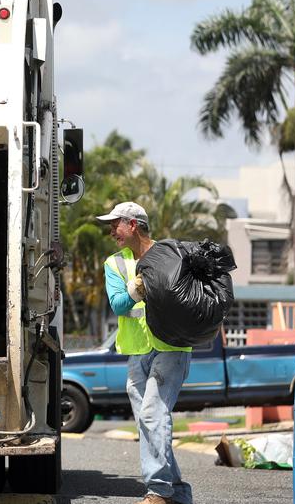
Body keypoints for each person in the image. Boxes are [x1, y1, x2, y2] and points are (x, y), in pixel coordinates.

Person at [98, 201, 193, 504]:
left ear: (133, 225)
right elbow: (118, 304)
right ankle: (178, 493)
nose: (112, 231)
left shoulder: (170, 256)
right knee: (149, 423)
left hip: (171, 346)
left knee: (153, 416)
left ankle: (158, 491)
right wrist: (138, 288)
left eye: (116, 224)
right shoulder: (115, 263)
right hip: (138, 351)